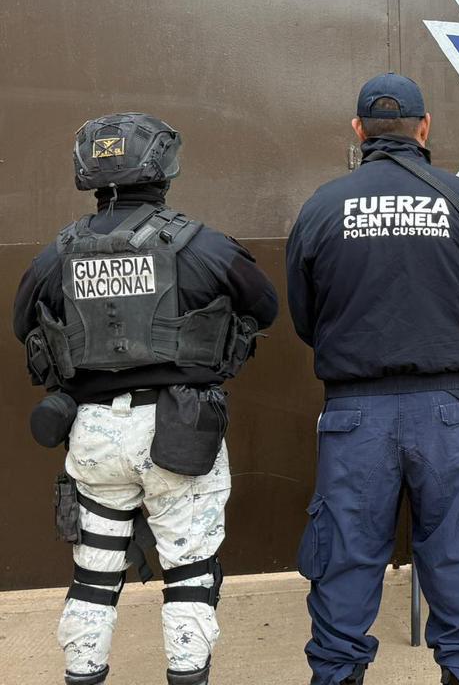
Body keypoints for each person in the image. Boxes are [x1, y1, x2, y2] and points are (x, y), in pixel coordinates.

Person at [12, 113, 278, 685]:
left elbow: (22, 325)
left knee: (93, 576)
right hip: (182, 430)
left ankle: (83, 673)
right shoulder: (201, 244)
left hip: (93, 432)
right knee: (189, 574)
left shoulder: (57, 254)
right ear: (163, 167)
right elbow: (265, 307)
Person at [286, 73, 459, 685]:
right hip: (448, 408)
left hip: (354, 412)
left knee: (346, 551)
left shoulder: (322, 206)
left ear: (358, 130)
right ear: (424, 128)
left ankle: (336, 675)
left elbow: (307, 317)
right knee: (458, 545)